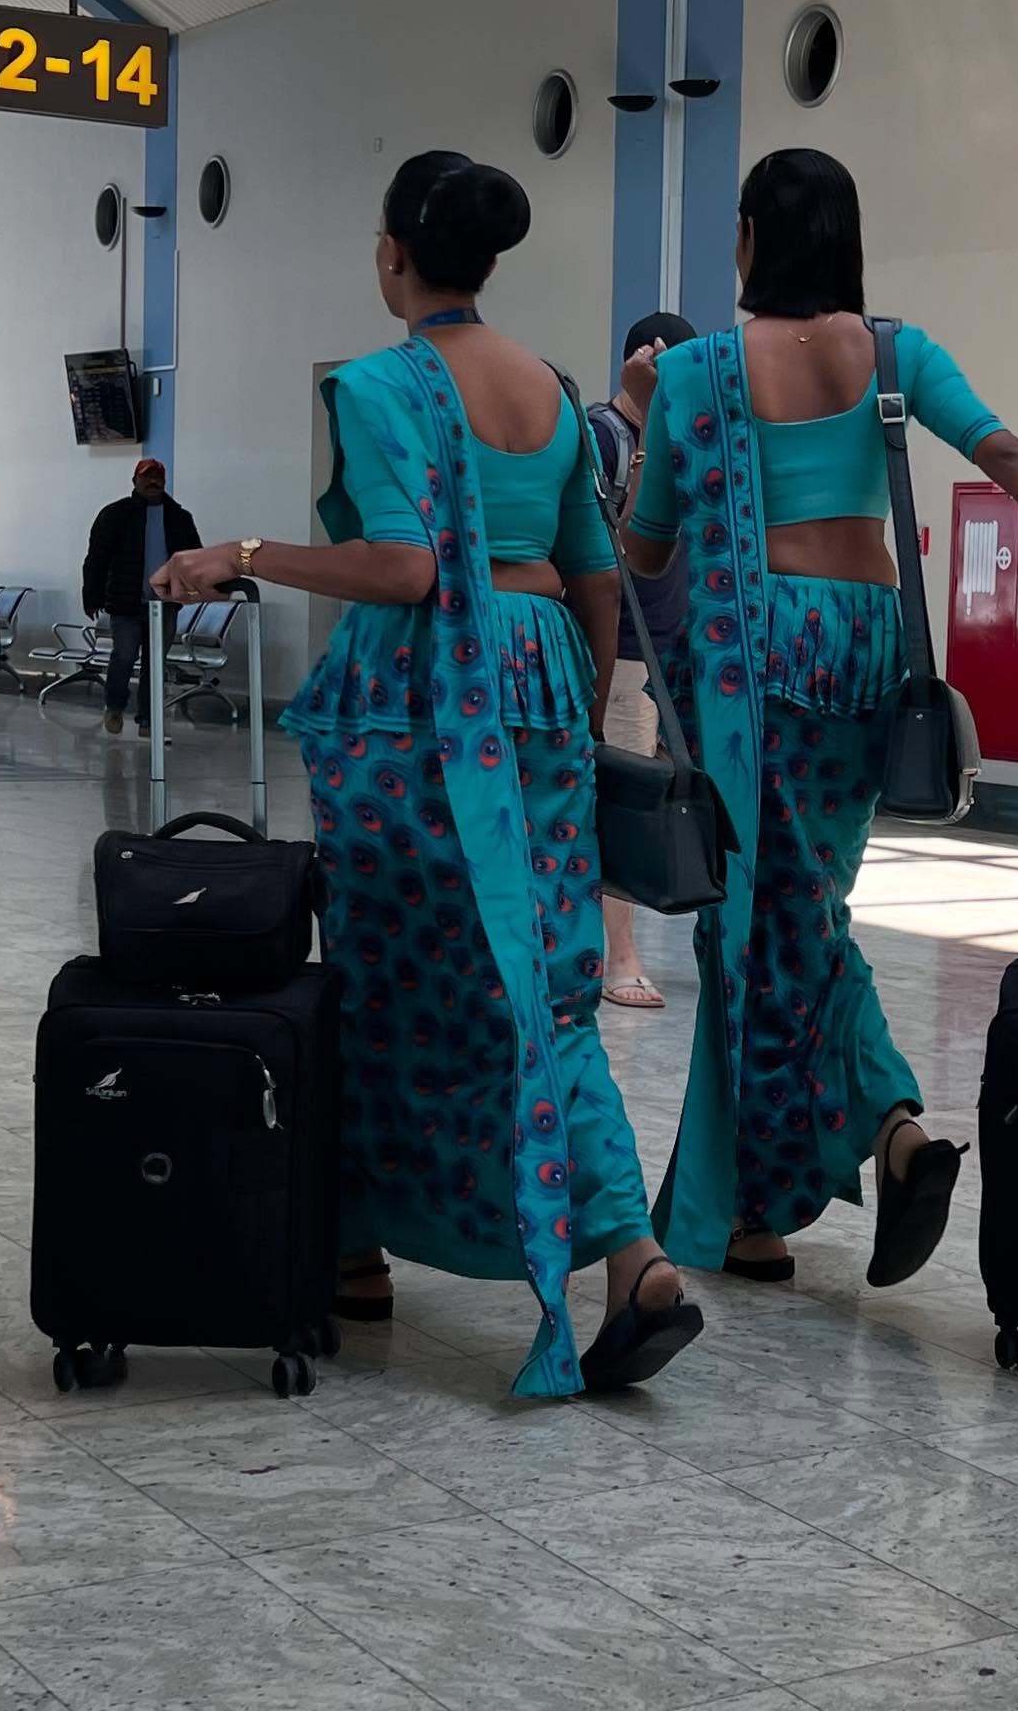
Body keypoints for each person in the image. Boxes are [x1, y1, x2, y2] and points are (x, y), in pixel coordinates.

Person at [151, 150, 703, 1398]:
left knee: (384, 972)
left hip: (421, 704)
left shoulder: (378, 383)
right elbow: (596, 569)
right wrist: (579, 705)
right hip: (546, 683)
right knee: (545, 980)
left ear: (392, 254)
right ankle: (613, 1256)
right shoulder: (556, 391)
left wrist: (235, 554)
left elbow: (403, 569)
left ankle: (370, 1250)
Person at [623, 147, 1018, 1289]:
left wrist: (643, 419)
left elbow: (646, 549)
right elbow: (1009, 454)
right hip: (867, 647)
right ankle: (757, 1212)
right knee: (800, 912)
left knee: (764, 927)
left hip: (756, 649)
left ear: (750, 238)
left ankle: (887, 1128)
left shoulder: (696, 375)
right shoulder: (893, 352)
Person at [588, 310, 697, 1010]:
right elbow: (604, 545)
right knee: (622, 805)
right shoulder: (603, 435)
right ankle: (618, 957)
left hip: (678, 646)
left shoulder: (684, 439)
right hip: (626, 651)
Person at [82, 457, 200, 737]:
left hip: (166, 603)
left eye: (157, 477)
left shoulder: (179, 518)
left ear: (164, 481)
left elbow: (195, 556)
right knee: (123, 656)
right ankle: (114, 707)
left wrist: (195, 588)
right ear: (135, 481)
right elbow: (97, 558)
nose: (152, 482)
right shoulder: (115, 515)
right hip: (126, 602)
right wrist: (92, 594)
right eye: (146, 477)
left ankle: (148, 718)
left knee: (155, 662)